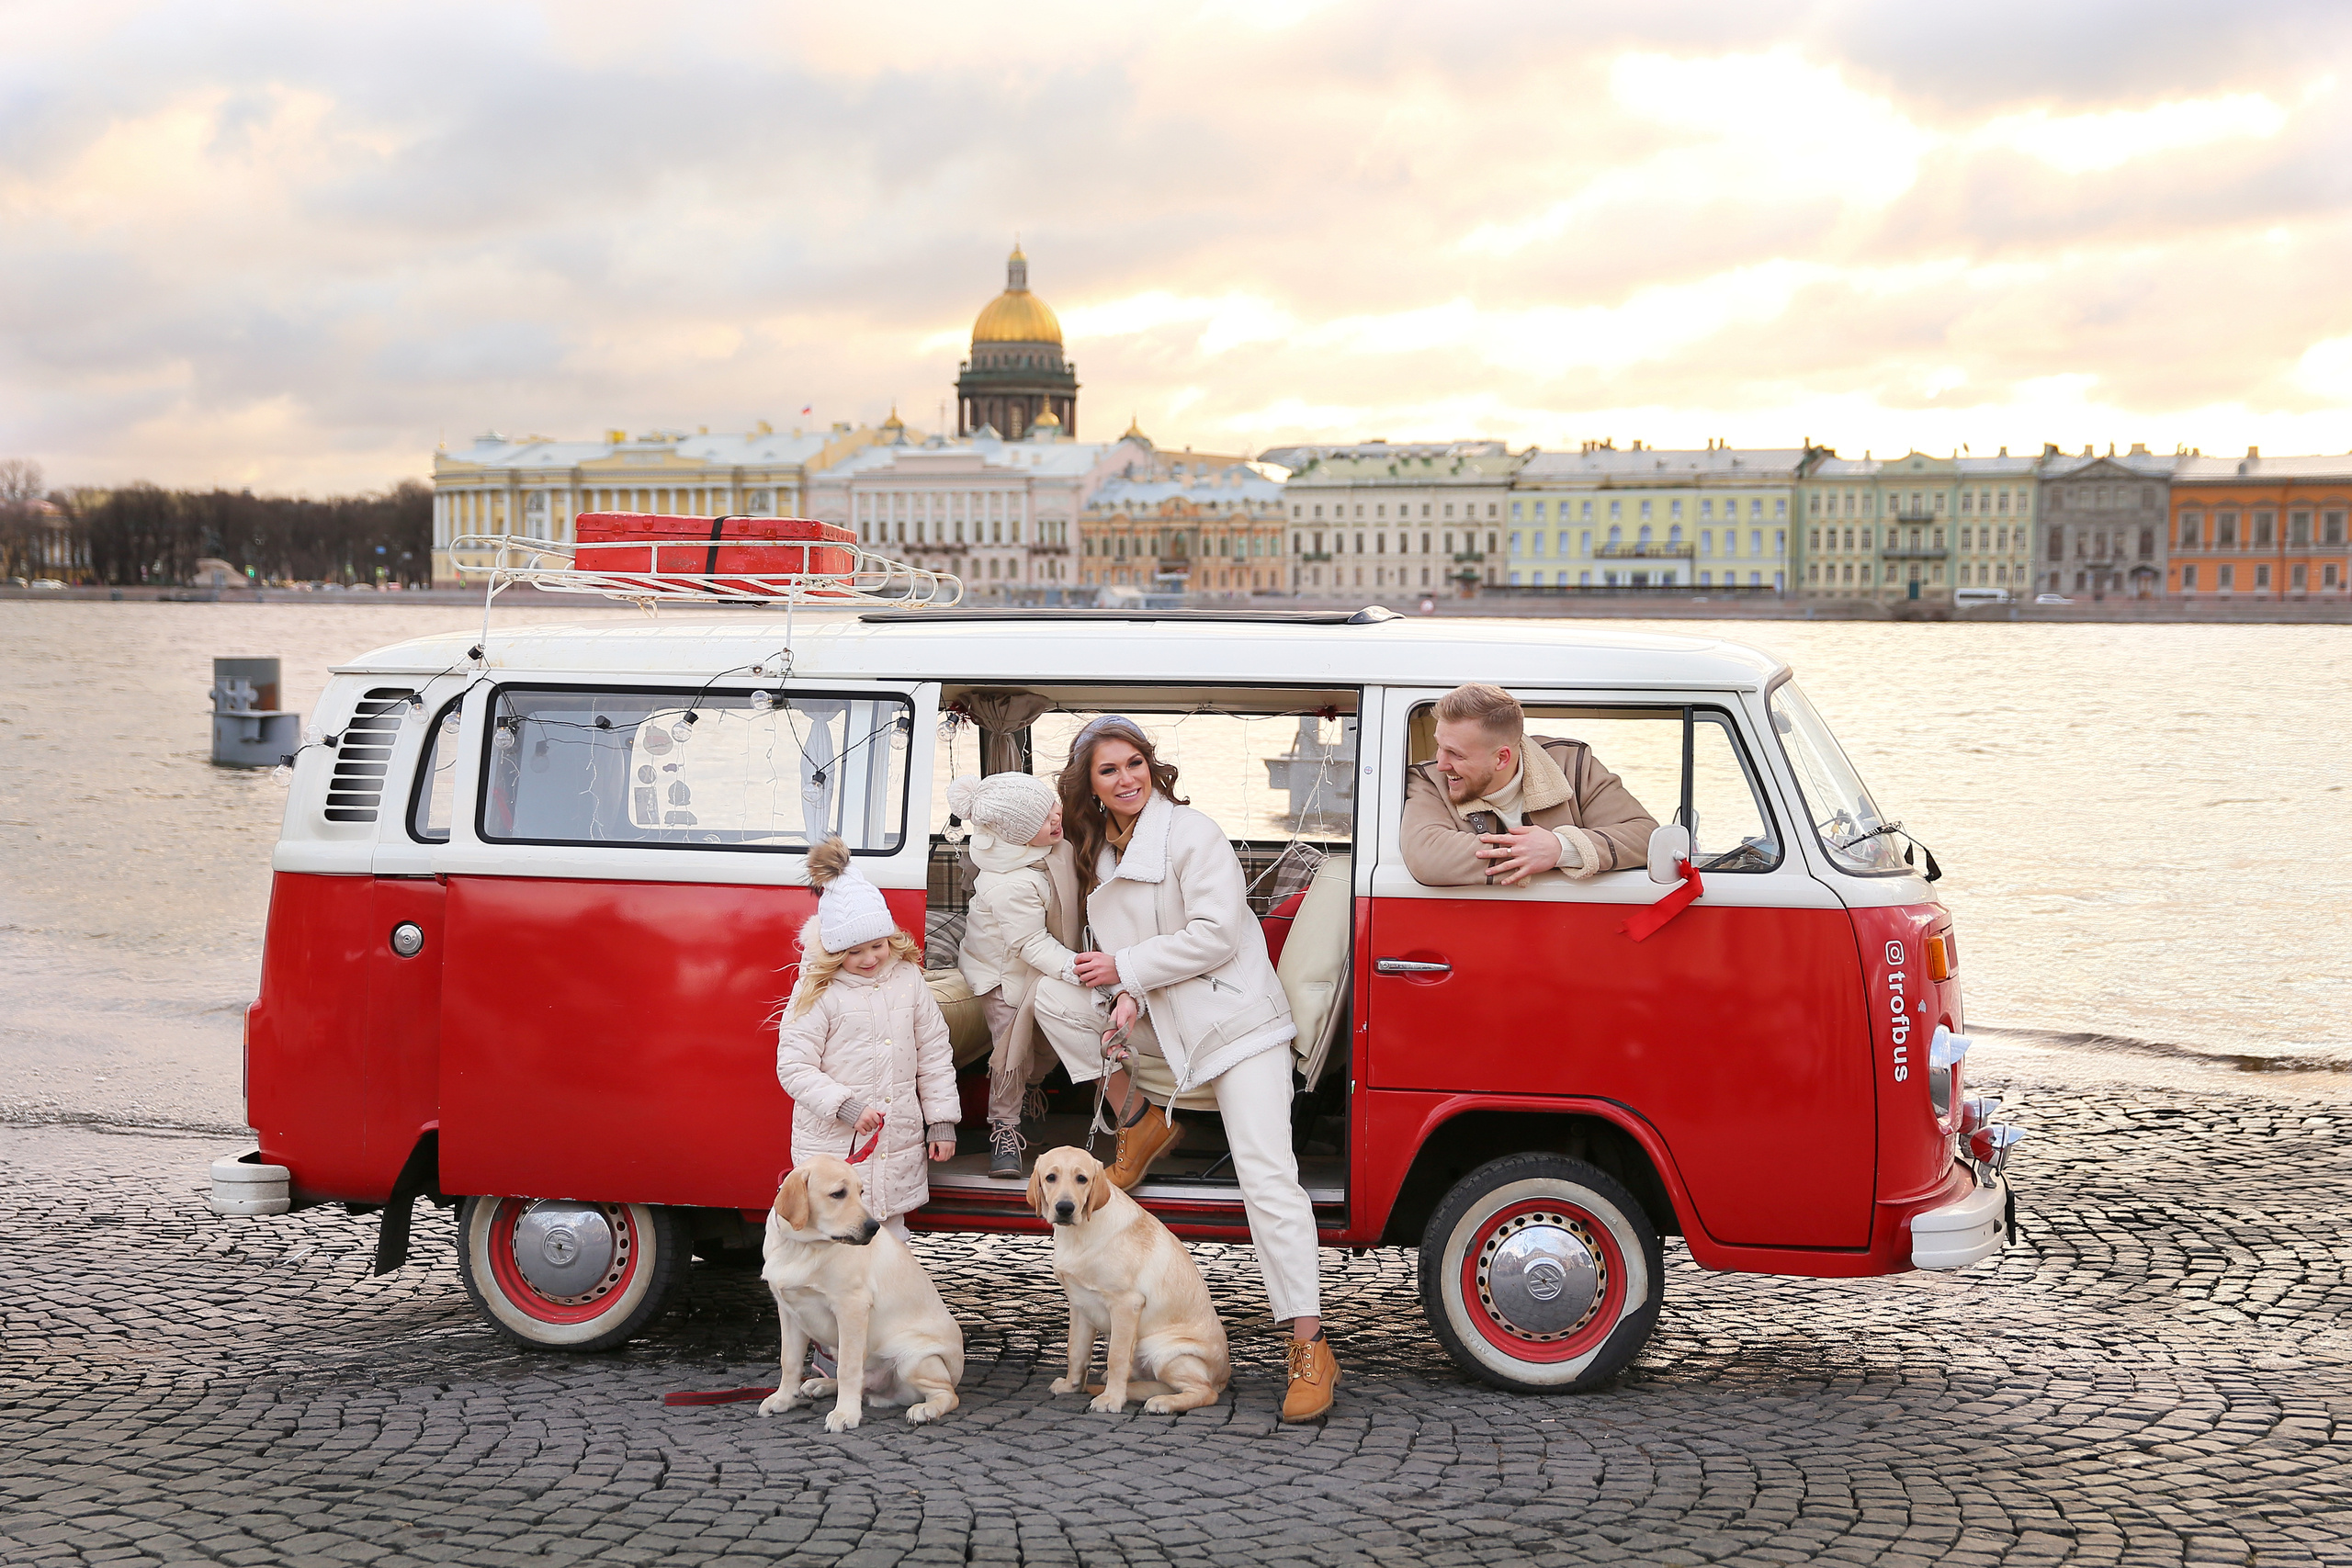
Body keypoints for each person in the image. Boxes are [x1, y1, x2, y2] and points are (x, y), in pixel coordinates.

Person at [1031, 714, 1340, 1423]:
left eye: (1134, 763)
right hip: (1165, 1021)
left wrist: (1125, 968)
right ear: (1090, 786)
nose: (1126, 778)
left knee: (1268, 1176)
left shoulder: (1193, 833)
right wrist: (1126, 997)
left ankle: (1309, 1344)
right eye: (1109, 770)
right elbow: (1135, 957)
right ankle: (1137, 1119)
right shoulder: (1100, 853)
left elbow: (1216, 934)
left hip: (1237, 1024)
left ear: (1152, 765)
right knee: (1055, 993)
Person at [775, 837, 960, 1241]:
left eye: (878, 945)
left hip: (896, 1141)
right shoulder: (819, 991)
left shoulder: (908, 979)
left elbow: (933, 1052)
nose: (870, 958)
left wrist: (942, 1120)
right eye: (854, 951)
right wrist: (844, 1106)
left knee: (890, 1236)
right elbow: (793, 1066)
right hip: (834, 1143)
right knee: (830, 1238)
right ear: (833, 950)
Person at [945, 771, 1082, 1179]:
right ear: (1017, 836)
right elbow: (1030, 944)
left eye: (1053, 807)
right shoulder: (1009, 883)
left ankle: (1032, 1089)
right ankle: (1004, 1129)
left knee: (1049, 1043)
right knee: (1013, 1053)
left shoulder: (1051, 852)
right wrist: (1076, 969)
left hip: (1039, 964)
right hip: (1003, 978)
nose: (1056, 818)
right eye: (1043, 818)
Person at [1401, 682, 1657, 886]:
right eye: (1439, 746)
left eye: (1455, 754)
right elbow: (1427, 857)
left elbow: (1646, 836)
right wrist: (1528, 854)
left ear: (1502, 758)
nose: (1440, 764)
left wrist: (1560, 848)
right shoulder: (1428, 780)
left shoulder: (1573, 764)